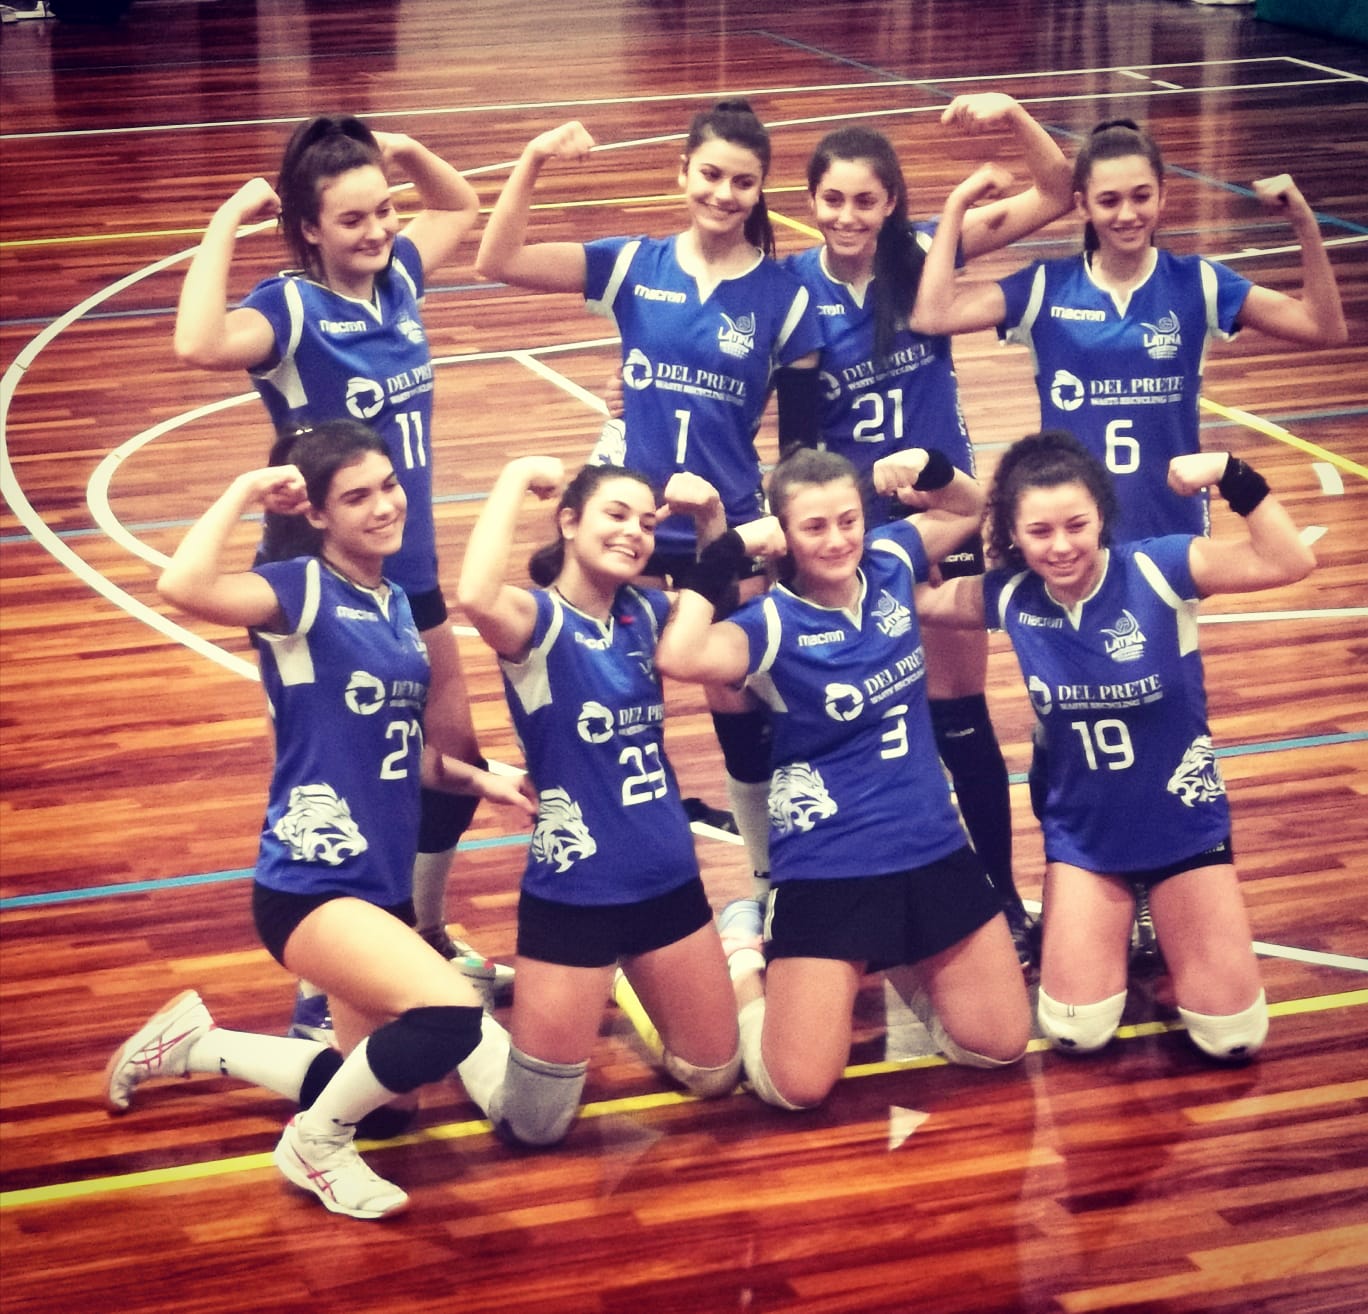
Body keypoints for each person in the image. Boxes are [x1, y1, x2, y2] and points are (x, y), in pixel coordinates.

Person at [104, 420, 536, 1219]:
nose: (384, 506)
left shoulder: (394, 603)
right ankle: (313, 1146)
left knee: (388, 1102)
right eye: (357, 497)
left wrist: (483, 777)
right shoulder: (301, 589)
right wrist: (245, 490)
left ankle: (195, 1045)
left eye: (389, 486)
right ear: (317, 514)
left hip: (380, 884)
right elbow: (183, 587)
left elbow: (400, 746)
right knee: (448, 1014)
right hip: (313, 884)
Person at [173, 114, 509, 1025]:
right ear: (309, 229)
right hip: (319, 579)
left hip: (409, 562)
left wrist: (409, 153)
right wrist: (224, 222)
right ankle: (322, 978)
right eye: (353, 219)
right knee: (341, 784)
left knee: (450, 763)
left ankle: (420, 933)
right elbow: (197, 344)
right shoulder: (289, 309)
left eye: (384, 211)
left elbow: (461, 205)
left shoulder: (397, 280)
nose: (378, 230)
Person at [474, 101, 824, 904]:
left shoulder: (786, 298)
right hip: (626, 526)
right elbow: (500, 259)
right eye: (711, 175)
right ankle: (602, 854)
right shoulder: (634, 264)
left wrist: (774, 536)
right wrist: (533, 158)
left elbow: (803, 447)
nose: (724, 194)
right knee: (606, 694)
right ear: (683, 173)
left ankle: (770, 885)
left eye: (743, 182)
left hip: (722, 529)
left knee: (738, 707)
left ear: (761, 190)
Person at [778, 98, 1076, 961]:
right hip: (850, 534)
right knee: (855, 718)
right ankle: (856, 900)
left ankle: (1000, 897)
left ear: (891, 203)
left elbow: (1057, 191)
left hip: (948, 517)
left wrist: (1015, 114)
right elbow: (783, 425)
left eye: (865, 200)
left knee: (959, 712)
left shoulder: (922, 257)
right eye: (833, 199)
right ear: (812, 201)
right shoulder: (790, 288)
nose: (847, 217)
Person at [915, 429, 1315, 1059]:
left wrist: (1233, 474)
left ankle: (1158, 907)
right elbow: (910, 598)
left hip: (1182, 825)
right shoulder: (1011, 595)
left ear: (1101, 514)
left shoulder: (1161, 568)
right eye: (1039, 531)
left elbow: (1288, 562)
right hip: (1088, 837)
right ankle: (1120, 909)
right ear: (1014, 535)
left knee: (1233, 1038)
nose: (1061, 546)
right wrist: (881, 529)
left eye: (1076, 525)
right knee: (1076, 1032)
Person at [654, 447, 1031, 1110]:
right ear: (784, 536)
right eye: (814, 527)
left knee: (999, 1045)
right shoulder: (772, 623)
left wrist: (930, 464)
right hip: (829, 865)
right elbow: (680, 656)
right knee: (796, 1089)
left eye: (848, 520)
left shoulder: (890, 560)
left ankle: (901, 950)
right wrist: (729, 548)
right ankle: (744, 952)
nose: (837, 540)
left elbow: (970, 508)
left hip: (931, 846)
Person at [451, 457, 741, 1146]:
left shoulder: (649, 612)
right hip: (575, 891)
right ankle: (458, 1011)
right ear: (569, 521)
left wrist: (712, 521)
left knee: (714, 1075)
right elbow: (474, 594)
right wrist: (514, 476)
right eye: (616, 515)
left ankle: (627, 979)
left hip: (667, 879)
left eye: (646, 523)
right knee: (535, 1124)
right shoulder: (535, 620)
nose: (635, 532)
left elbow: (719, 611)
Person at [913, 118, 1348, 544]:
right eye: (1109, 201)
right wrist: (957, 207)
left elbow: (1322, 328)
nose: (1127, 214)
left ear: (1162, 195)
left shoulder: (1198, 283)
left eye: (1141, 196)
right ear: (1082, 205)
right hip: (1072, 534)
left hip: (1172, 524)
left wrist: (1304, 222)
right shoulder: (1045, 286)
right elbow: (933, 316)